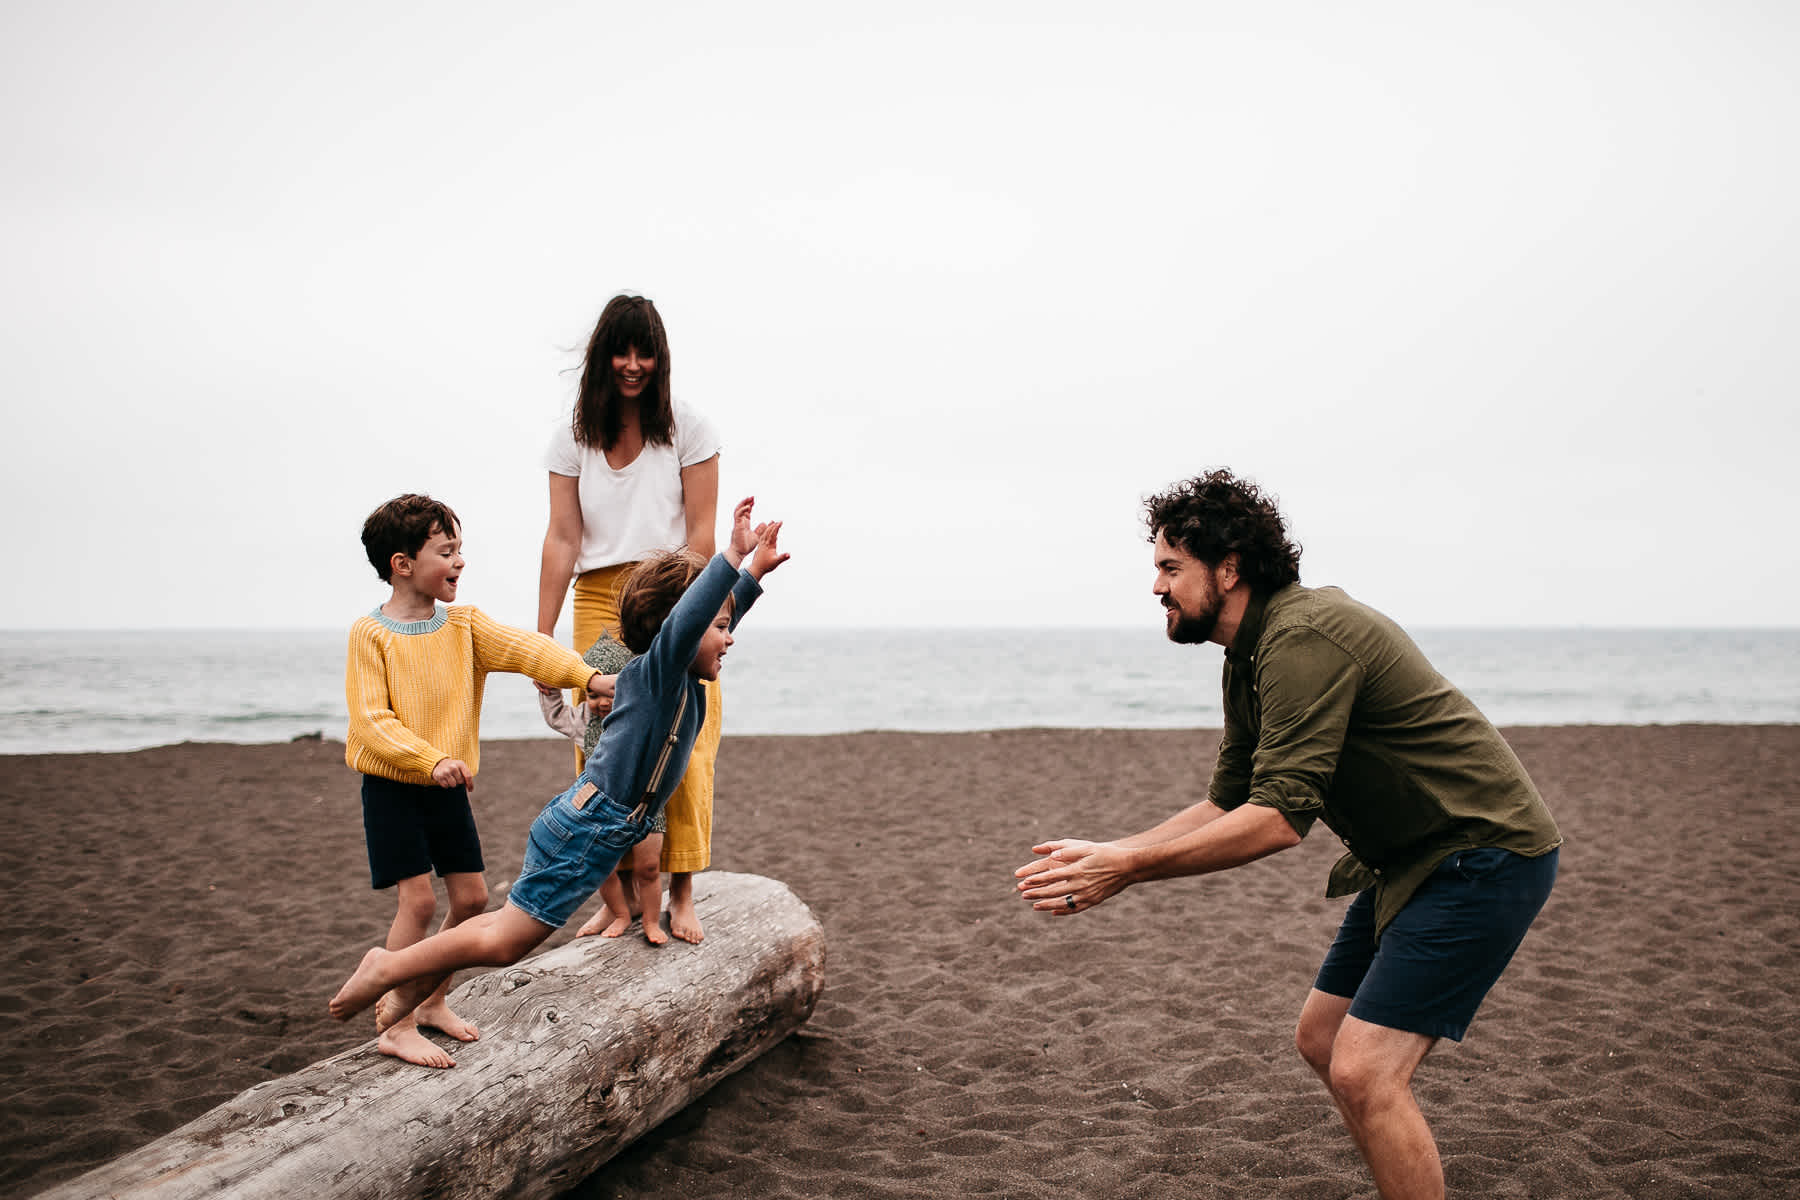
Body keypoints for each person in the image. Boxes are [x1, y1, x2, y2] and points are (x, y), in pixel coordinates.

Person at [1014, 469, 1561, 1200]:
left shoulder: (1303, 636)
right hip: (1408, 861)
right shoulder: (1248, 657)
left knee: (1365, 1071)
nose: (1156, 587)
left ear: (1229, 568)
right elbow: (1229, 802)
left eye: (1171, 568)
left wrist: (1132, 869)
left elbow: (1276, 821)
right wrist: (1117, 852)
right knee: (1324, 1040)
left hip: (1482, 855)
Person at [330, 497, 789, 1050]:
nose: (729, 636)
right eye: (720, 625)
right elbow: (693, 620)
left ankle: (416, 993)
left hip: (596, 823)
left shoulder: (683, 674)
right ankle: (387, 968)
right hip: (588, 826)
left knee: (491, 921)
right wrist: (731, 555)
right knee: (503, 943)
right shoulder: (660, 673)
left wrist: (753, 575)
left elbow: (701, 621)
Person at [347, 493, 608, 1068]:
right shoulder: (371, 634)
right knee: (418, 902)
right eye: (446, 551)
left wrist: (587, 675)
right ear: (402, 564)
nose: (459, 561)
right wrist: (429, 760)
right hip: (394, 786)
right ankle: (397, 1023)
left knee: (470, 899)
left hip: (447, 786)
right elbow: (370, 720)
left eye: (460, 549)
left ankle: (432, 1000)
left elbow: (526, 649)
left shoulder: (464, 625)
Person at [538, 293, 722, 947]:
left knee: (685, 744)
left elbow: (702, 535)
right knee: (602, 750)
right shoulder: (572, 438)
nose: (634, 364)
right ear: (602, 357)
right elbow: (563, 538)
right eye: (623, 351)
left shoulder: (689, 429)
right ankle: (617, 895)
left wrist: (693, 616)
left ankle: (682, 890)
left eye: (646, 352)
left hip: (674, 591)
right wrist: (541, 643)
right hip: (597, 597)